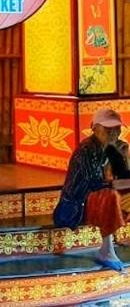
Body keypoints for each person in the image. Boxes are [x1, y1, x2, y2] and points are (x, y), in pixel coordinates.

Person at [54, 107, 130, 272]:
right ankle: (106, 250)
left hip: (93, 200)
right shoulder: (86, 149)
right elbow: (94, 183)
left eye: (117, 128)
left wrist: (124, 157)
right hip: (75, 206)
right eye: (108, 129)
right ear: (95, 129)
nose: (114, 133)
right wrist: (119, 183)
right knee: (109, 195)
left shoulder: (109, 148)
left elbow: (122, 175)